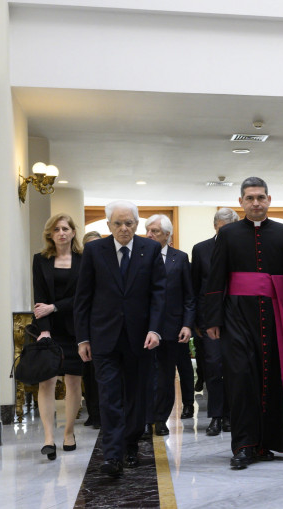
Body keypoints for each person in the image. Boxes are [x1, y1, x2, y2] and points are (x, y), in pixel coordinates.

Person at [204, 177, 283, 470]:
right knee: (241, 379)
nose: (256, 203)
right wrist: (212, 319)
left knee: (272, 378)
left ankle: (269, 442)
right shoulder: (227, 234)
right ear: (241, 202)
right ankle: (243, 445)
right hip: (236, 315)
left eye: (261, 197)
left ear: (269, 200)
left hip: (276, 313)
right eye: (250, 198)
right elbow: (216, 278)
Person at [74, 200, 166, 478]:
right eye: (118, 223)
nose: (124, 228)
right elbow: (83, 298)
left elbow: (159, 293)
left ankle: (130, 446)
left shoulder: (150, 249)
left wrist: (155, 329)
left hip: (141, 338)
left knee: (137, 397)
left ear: (137, 224)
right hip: (104, 337)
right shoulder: (93, 251)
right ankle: (112, 455)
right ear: (108, 225)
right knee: (109, 397)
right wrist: (83, 338)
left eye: (129, 223)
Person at [32, 213, 84, 461]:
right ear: (50, 235)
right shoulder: (40, 260)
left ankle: (69, 433)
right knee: (47, 383)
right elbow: (40, 298)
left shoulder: (84, 261)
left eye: (65, 228)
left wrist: (55, 307)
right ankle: (48, 438)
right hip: (48, 330)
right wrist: (44, 330)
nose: (61, 233)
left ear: (73, 232)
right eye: (56, 229)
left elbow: (84, 298)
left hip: (76, 328)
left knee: (74, 383)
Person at [145, 214, 195, 436]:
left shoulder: (180, 258)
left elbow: (189, 296)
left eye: (154, 231)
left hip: (172, 327)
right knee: (145, 375)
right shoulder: (139, 255)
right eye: (148, 230)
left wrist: (187, 325)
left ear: (167, 235)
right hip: (144, 327)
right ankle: (145, 419)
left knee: (166, 376)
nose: (149, 235)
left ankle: (160, 419)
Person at [191, 207, 238, 436]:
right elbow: (195, 288)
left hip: (238, 319)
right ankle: (216, 417)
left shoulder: (242, 248)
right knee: (214, 367)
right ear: (215, 226)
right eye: (223, 229)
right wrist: (196, 322)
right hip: (210, 320)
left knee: (234, 368)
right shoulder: (201, 250)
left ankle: (231, 416)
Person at [80, 230, 103, 430]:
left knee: (100, 373)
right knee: (88, 373)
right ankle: (93, 412)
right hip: (83, 327)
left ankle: (102, 413)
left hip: (101, 327)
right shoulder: (80, 265)